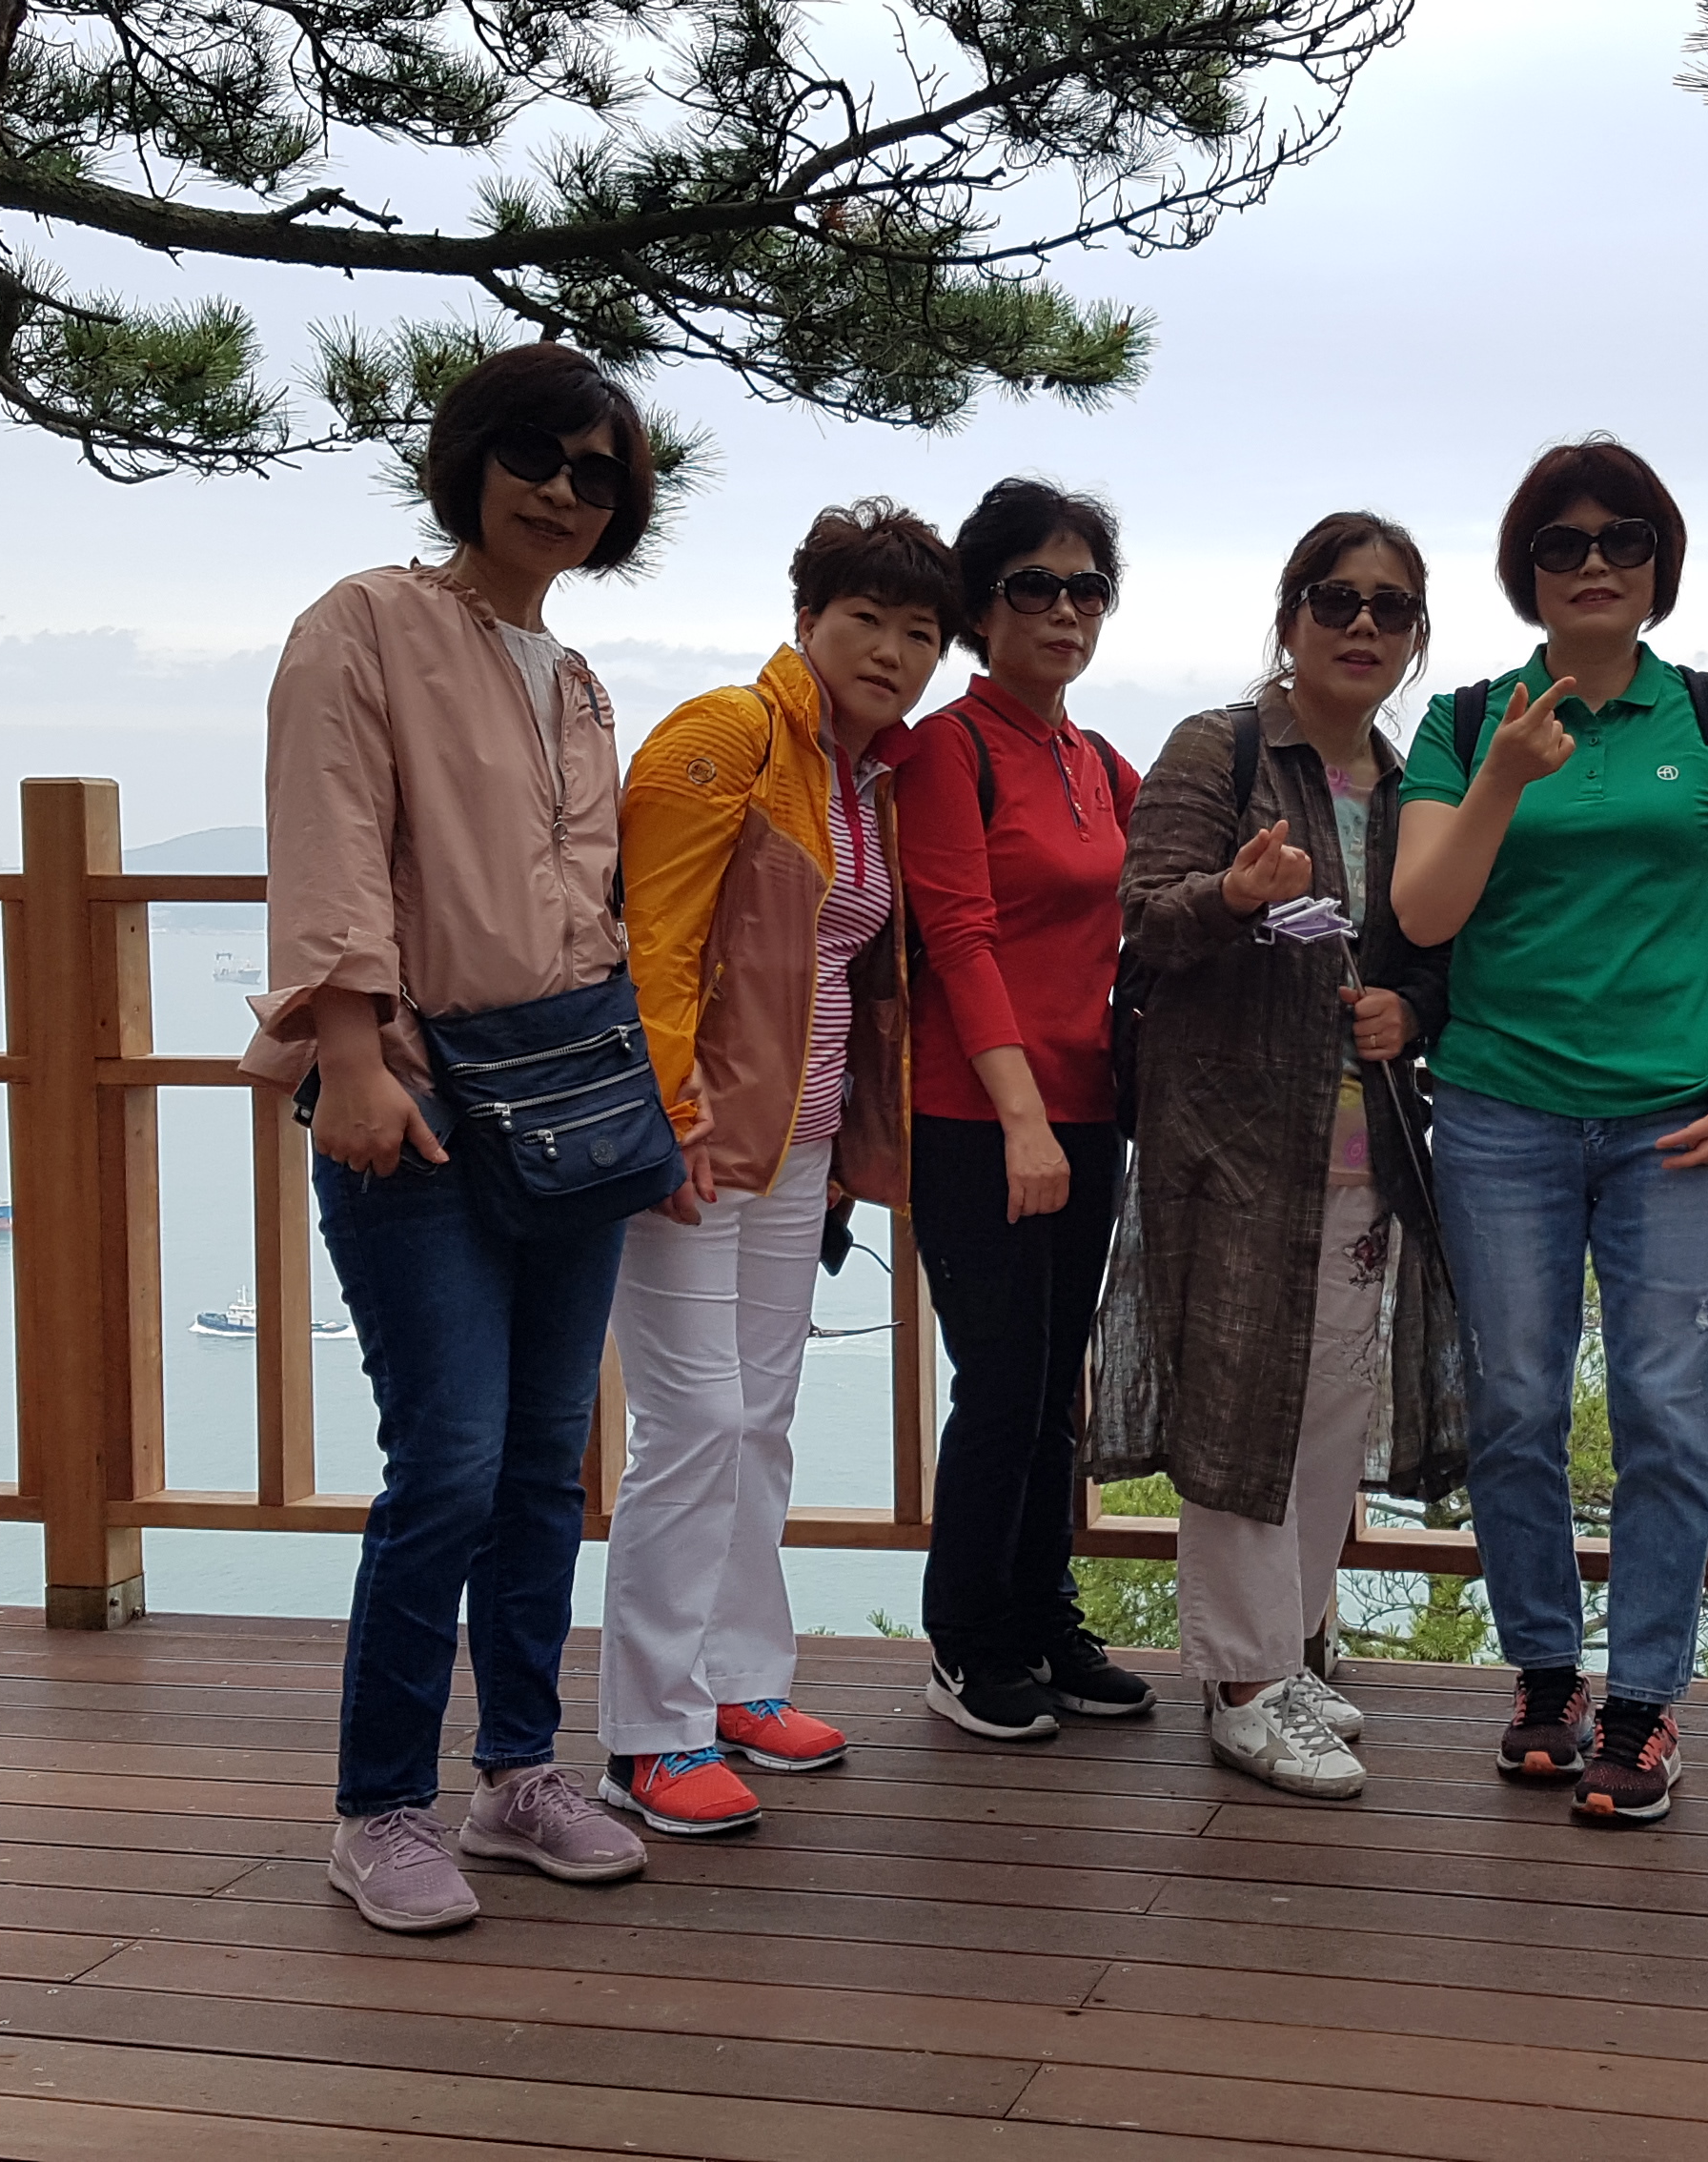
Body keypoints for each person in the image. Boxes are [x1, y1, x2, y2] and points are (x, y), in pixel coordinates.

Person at [245, 341, 659, 1934]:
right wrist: (350, 1058)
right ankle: (379, 1808)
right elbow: (333, 839)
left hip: (567, 1103)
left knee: (547, 1460)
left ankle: (519, 1772)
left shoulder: (581, 681)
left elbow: (590, 904)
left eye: (598, 474)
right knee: (449, 1463)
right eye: (535, 456)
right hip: (414, 1097)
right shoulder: (365, 624)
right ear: (471, 458)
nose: (563, 492)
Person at [1393, 437, 1708, 1826]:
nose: (1593, 565)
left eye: (1623, 540)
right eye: (1561, 545)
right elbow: (1425, 912)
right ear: (1526, 571)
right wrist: (1506, 777)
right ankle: (1546, 1677)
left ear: (1659, 563)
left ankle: (1646, 1700)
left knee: (1666, 1409)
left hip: (1676, 1114)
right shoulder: (1467, 721)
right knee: (1512, 1401)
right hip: (1498, 1105)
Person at [593, 500, 958, 1835]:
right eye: (865, 619)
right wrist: (664, 1113)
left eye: (919, 632)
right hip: (693, 1139)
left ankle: (740, 1680)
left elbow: (848, 970)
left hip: (798, 1143)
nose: (892, 651)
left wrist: (850, 1144)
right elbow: (654, 941)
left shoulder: (866, 779)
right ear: (807, 618)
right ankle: (650, 1734)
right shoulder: (727, 735)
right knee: (692, 1422)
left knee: (760, 1415)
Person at [1090, 511, 1467, 1799]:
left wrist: (1410, 1009)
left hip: (1364, 1151)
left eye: (1390, 608)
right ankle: (1243, 1687)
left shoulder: (1413, 787)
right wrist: (1235, 895)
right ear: (1290, 615)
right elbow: (1145, 923)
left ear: (1416, 637)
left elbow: (1433, 957)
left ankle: (1289, 1650)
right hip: (1234, 1144)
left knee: (1325, 1416)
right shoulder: (1223, 749)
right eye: (1335, 599)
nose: (1362, 626)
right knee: (1240, 1408)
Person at [902, 477, 1157, 1740]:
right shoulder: (947, 750)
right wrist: (1019, 1119)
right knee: (1001, 1382)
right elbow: (958, 935)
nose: (1066, 610)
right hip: (978, 1116)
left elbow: (1170, 888)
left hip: (1087, 1109)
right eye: (1036, 586)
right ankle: (967, 1643)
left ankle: (1042, 1615)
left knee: (1056, 1384)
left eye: (1087, 588)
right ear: (981, 606)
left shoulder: (1097, 762)